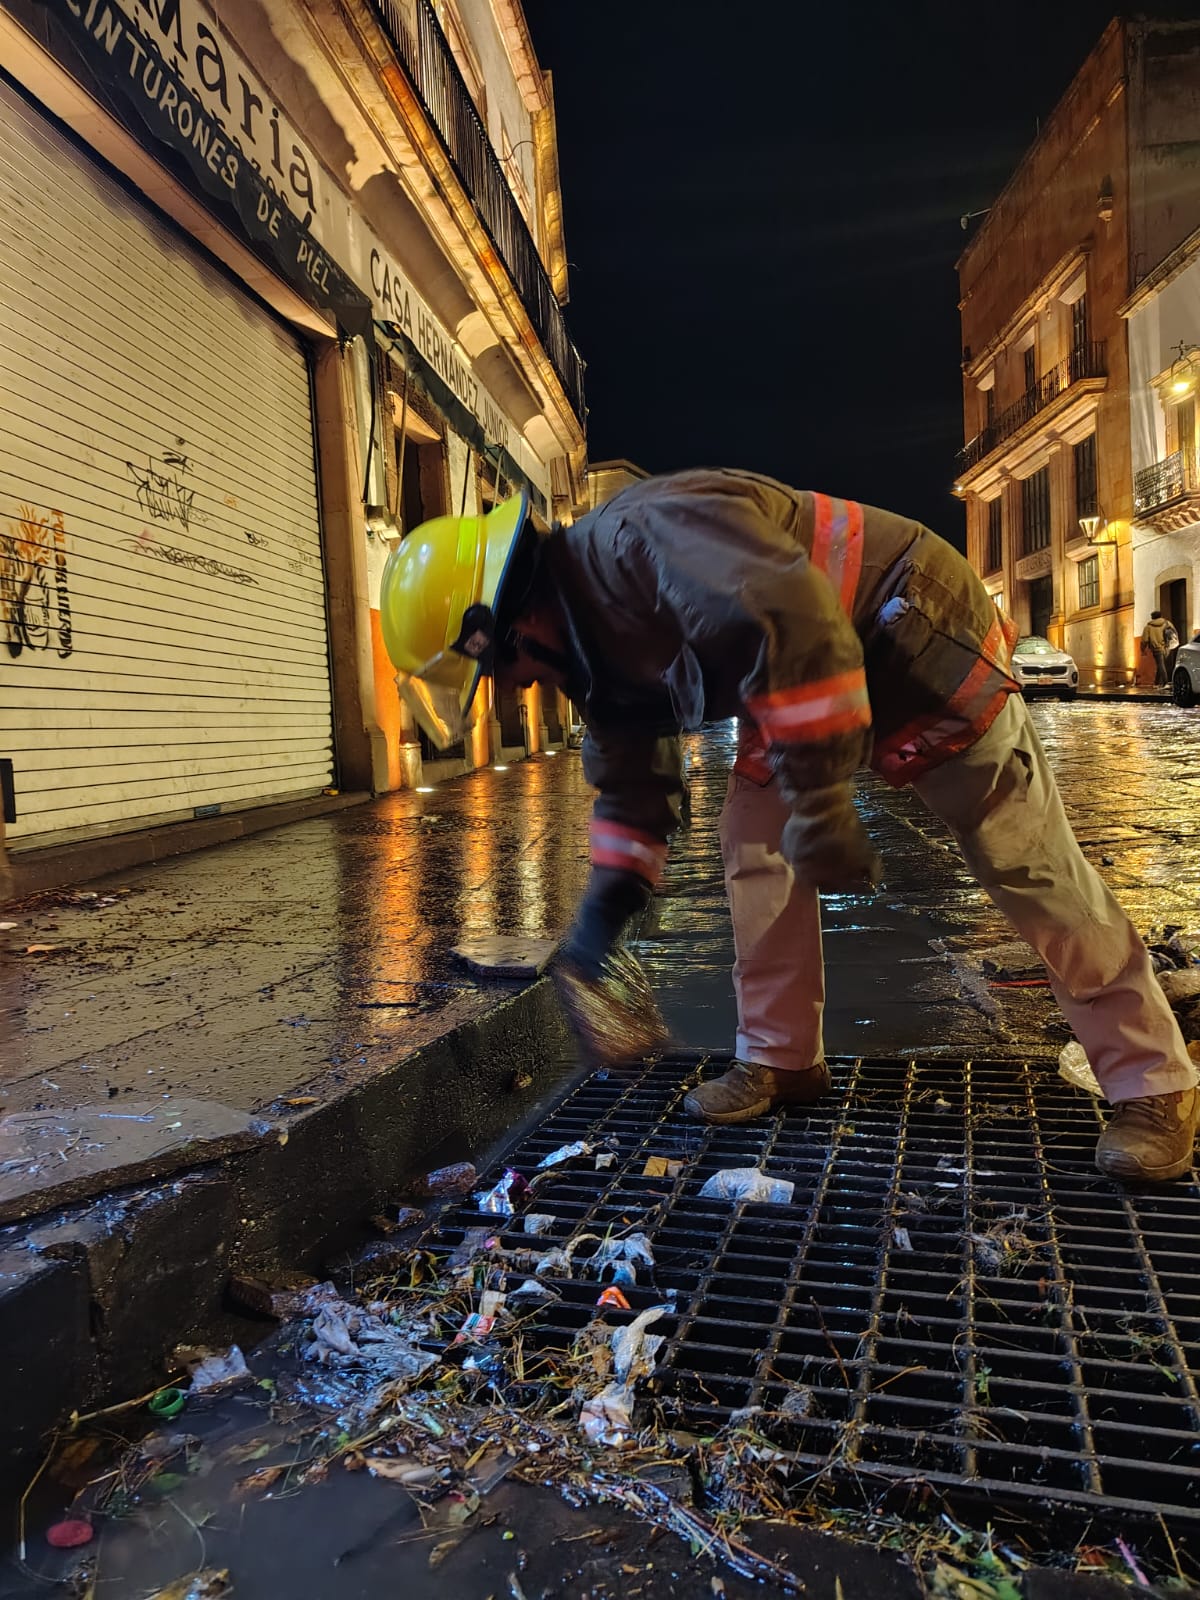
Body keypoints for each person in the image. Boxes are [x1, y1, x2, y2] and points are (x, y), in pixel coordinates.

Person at [381, 470, 1199, 1184]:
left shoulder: (648, 537)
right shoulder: (593, 658)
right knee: (753, 844)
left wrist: (823, 803)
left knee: (1021, 855)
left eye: (501, 670)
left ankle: (1153, 1085)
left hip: (910, 625)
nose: (516, 689)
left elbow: (800, 621)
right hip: (804, 670)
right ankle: (780, 1061)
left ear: (509, 620)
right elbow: (633, 796)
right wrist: (595, 933)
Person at [1142, 611, 1172, 688]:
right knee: (1160, 664)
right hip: (1166, 648)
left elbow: (1144, 640)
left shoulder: (1148, 627)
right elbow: (1172, 633)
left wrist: (1142, 649)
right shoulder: (1166, 623)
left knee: (1161, 665)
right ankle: (1156, 683)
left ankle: (1165, 683)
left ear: (1152, 617)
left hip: (1156, 648)